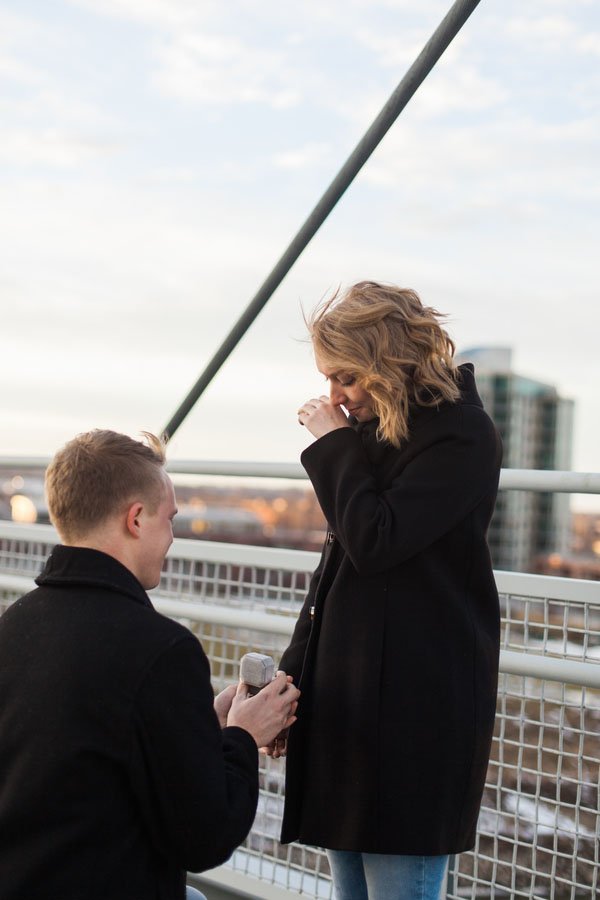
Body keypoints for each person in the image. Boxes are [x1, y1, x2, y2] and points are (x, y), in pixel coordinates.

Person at [273, 281, 502, 900]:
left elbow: (376, 540)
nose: (335, 397)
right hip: (352, 700)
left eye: (346, 377)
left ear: (386, 361)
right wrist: (291, 683)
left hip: (417, 709)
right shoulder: (377, 433)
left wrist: (332, 445)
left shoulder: (462, 435)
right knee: (350, 888)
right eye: (328, 380)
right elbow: (335, 570)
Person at [0, 429, 300, 900]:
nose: (173, 537)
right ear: (136, 519)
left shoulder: (13, 627)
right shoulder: (162, 650)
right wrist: (242, 737)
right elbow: (205, 835)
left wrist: (205, 728)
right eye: (170, 519)